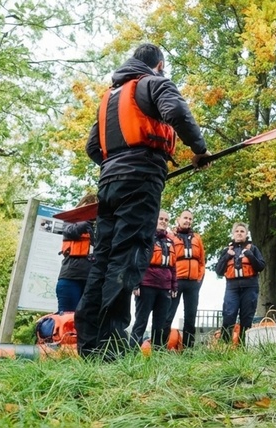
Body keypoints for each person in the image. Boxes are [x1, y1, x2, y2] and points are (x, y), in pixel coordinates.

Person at [77, 43, 210, 359]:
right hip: (141, 179)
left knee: (105, 259)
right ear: (159, 64)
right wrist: (199, 149)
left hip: (109, 182)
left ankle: (90, 343)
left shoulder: (109, 98)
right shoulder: (154, 82)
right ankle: (111, 344)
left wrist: (117, 165)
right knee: (129, 257)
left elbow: (93, 147)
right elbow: (176, 112)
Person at [130, 210, 177, 348]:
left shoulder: (170, 241)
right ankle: (132, 353)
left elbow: (173, 266)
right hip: (147, 285)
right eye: (160, 218)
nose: (163, 221)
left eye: (166, 220)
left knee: (160, 324)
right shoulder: (145, 238)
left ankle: (157, 354)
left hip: (164, 287)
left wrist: (174, 285)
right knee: (141, 321)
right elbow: (137, 261)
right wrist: (135, 284)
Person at [214, 222, 266, 344]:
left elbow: (261, 266)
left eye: (242, 231)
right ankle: (225, 346)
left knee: (247, 318)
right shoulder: (227, 250)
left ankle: (244, 347)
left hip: (250, 287)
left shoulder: (252, 249)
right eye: (237, 231)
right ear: (233, 234)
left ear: (246, 234)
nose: (239, 233)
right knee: (228, 315)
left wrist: (250, 255)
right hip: (232, 288)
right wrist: (227, 256)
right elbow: (219, 271)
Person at [163, 209, 206, 348]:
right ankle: (161, 346)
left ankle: (188, 348)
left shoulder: (197, 238)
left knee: (190, 316)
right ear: (178, 219)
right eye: (185, 218)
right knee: (168, 314)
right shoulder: (171, 237)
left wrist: (199, 279)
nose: (187, 221)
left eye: (190, 219)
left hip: (193, 282)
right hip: (176, 281)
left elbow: (202, 262)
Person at [55, 193, 99, 312]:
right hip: (70, 278)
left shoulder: (101, 227)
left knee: (86, 321)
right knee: (67, 318)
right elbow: (70, 232)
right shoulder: (70, 222)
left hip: (91, 281)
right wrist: (87, 221)